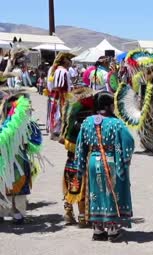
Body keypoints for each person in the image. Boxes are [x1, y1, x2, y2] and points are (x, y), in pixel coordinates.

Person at [75, 92, 135, 242]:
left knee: (96, 193)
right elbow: (128, 142)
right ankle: (113, 230)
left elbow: (80, 145)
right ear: (109, 106)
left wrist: (81, 166)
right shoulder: (116, 124)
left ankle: (98, 229)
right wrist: (123, 158)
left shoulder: (87, 122)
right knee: (111, 193)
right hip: (110, 161)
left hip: (93, 162)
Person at [0, 91, 42, 224]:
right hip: (18, 161)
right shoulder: (27, 126)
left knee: (4, 186)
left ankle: (3, 212)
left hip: (6, 161)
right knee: (15, 189)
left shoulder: (4, 126)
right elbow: (35, 142)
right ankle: (16, 212)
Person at [60, 88, 95, 226]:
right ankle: (82, 216)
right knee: (83, 185)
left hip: (71, 157)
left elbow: (64, 138)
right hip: (83, 158)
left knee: (71, 185)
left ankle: (68, 213)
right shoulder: (88, 117)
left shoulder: (70, 117)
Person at [47, 52, 74, 140]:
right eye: (69, 59)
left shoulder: (53, 69)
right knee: (60, 114)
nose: (71, 61)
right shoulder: (63, 71)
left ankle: (54, 131)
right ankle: (58, 133)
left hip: (54, 96)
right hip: (61, 97)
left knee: (55, 113)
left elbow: (51, 86)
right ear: (65, 61)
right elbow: (60, 86)